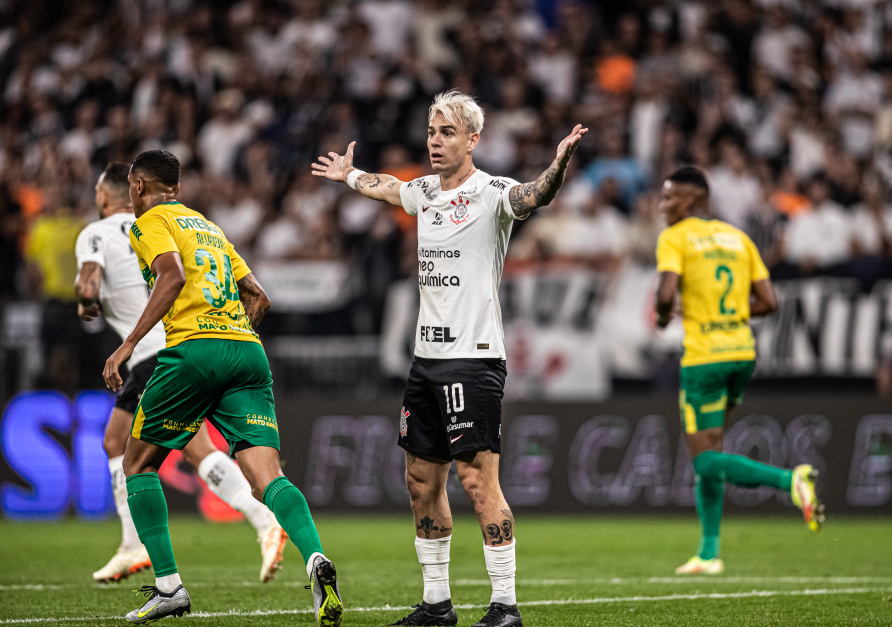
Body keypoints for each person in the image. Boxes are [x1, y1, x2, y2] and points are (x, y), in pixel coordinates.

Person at [312, 90, 586, 627]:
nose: (435, 142)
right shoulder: (425, 193)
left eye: (447, 134)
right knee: (420, 481)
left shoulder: (492, 193)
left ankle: (505, 605)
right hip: (426, 360)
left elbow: (535, 196)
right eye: (432, 133)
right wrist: (350, 175)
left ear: (472, 140)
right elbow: (390, 187)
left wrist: (557, 165)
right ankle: (437, 604)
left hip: (474, 359)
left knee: (479, 480)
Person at [102, 150, 342, 625]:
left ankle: (169, 587)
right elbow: (259, 295)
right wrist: (233, 336)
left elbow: (170, 276)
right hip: (247, 353)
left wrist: (128, 344)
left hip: (195, 350)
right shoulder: (208, 226)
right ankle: (315, 558)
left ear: (137, 187)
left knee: (137, 463)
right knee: (267, 478)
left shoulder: (149, 221)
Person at [76, 162, 288, 584]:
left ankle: (264, 521)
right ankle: (133, 543)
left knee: (192, 452)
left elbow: (87, 286)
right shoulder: (178, 223)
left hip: (161, 352)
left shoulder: (96, 233)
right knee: (116, 441)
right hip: (188, 347)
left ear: (106, 196)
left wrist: (87, 306)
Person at [654, 166, 824, 575]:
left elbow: (664, 294)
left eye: (670, 198)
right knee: (712, 448)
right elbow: (769, 301)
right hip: (741, 354)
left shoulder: (675, 238)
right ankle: (708, 553)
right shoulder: (738, 238)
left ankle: (791, 481)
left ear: (694, 200)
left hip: (703, 358)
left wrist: (663, 317)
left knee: (705, 461)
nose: (663, 206)